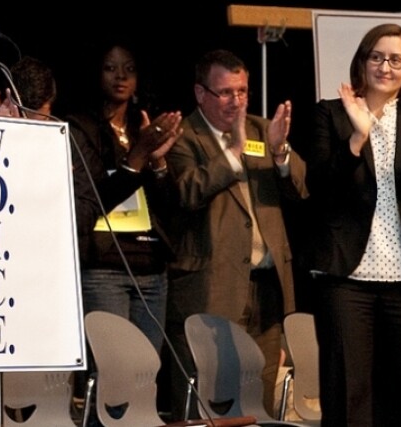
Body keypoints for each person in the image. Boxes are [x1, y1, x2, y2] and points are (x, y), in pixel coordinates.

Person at [307, 23, 401, 427]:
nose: (386, 66)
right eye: (377, 57)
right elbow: (320, 187)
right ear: (363, 61)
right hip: (348, 276)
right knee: (349, 394)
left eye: (396, 59)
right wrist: (356, 137)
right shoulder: (330, 113)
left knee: (400, 394)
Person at [165, 49, 308, 419]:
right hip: (213, 286)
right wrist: (232, 154)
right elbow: (186, 193)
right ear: (201, 94)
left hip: (268, 289)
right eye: (225, 92)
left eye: (242, 91)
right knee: (209, 401)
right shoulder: (182, 136)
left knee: (256, 399)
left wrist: (280, 153)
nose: (237, 101)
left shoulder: (265, 130)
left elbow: (303, 189)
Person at [66, 43, 182, 354]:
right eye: (111, 68)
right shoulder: (79, 128)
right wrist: (139, 153)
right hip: (104, 267)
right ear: (95, 73)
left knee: (146, 372)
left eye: (129, 69)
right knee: (115, 370)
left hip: (152, 267)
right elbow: (95, 199)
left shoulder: (143, 127)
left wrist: (157, 161)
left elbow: (170, 205)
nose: (121, 76)